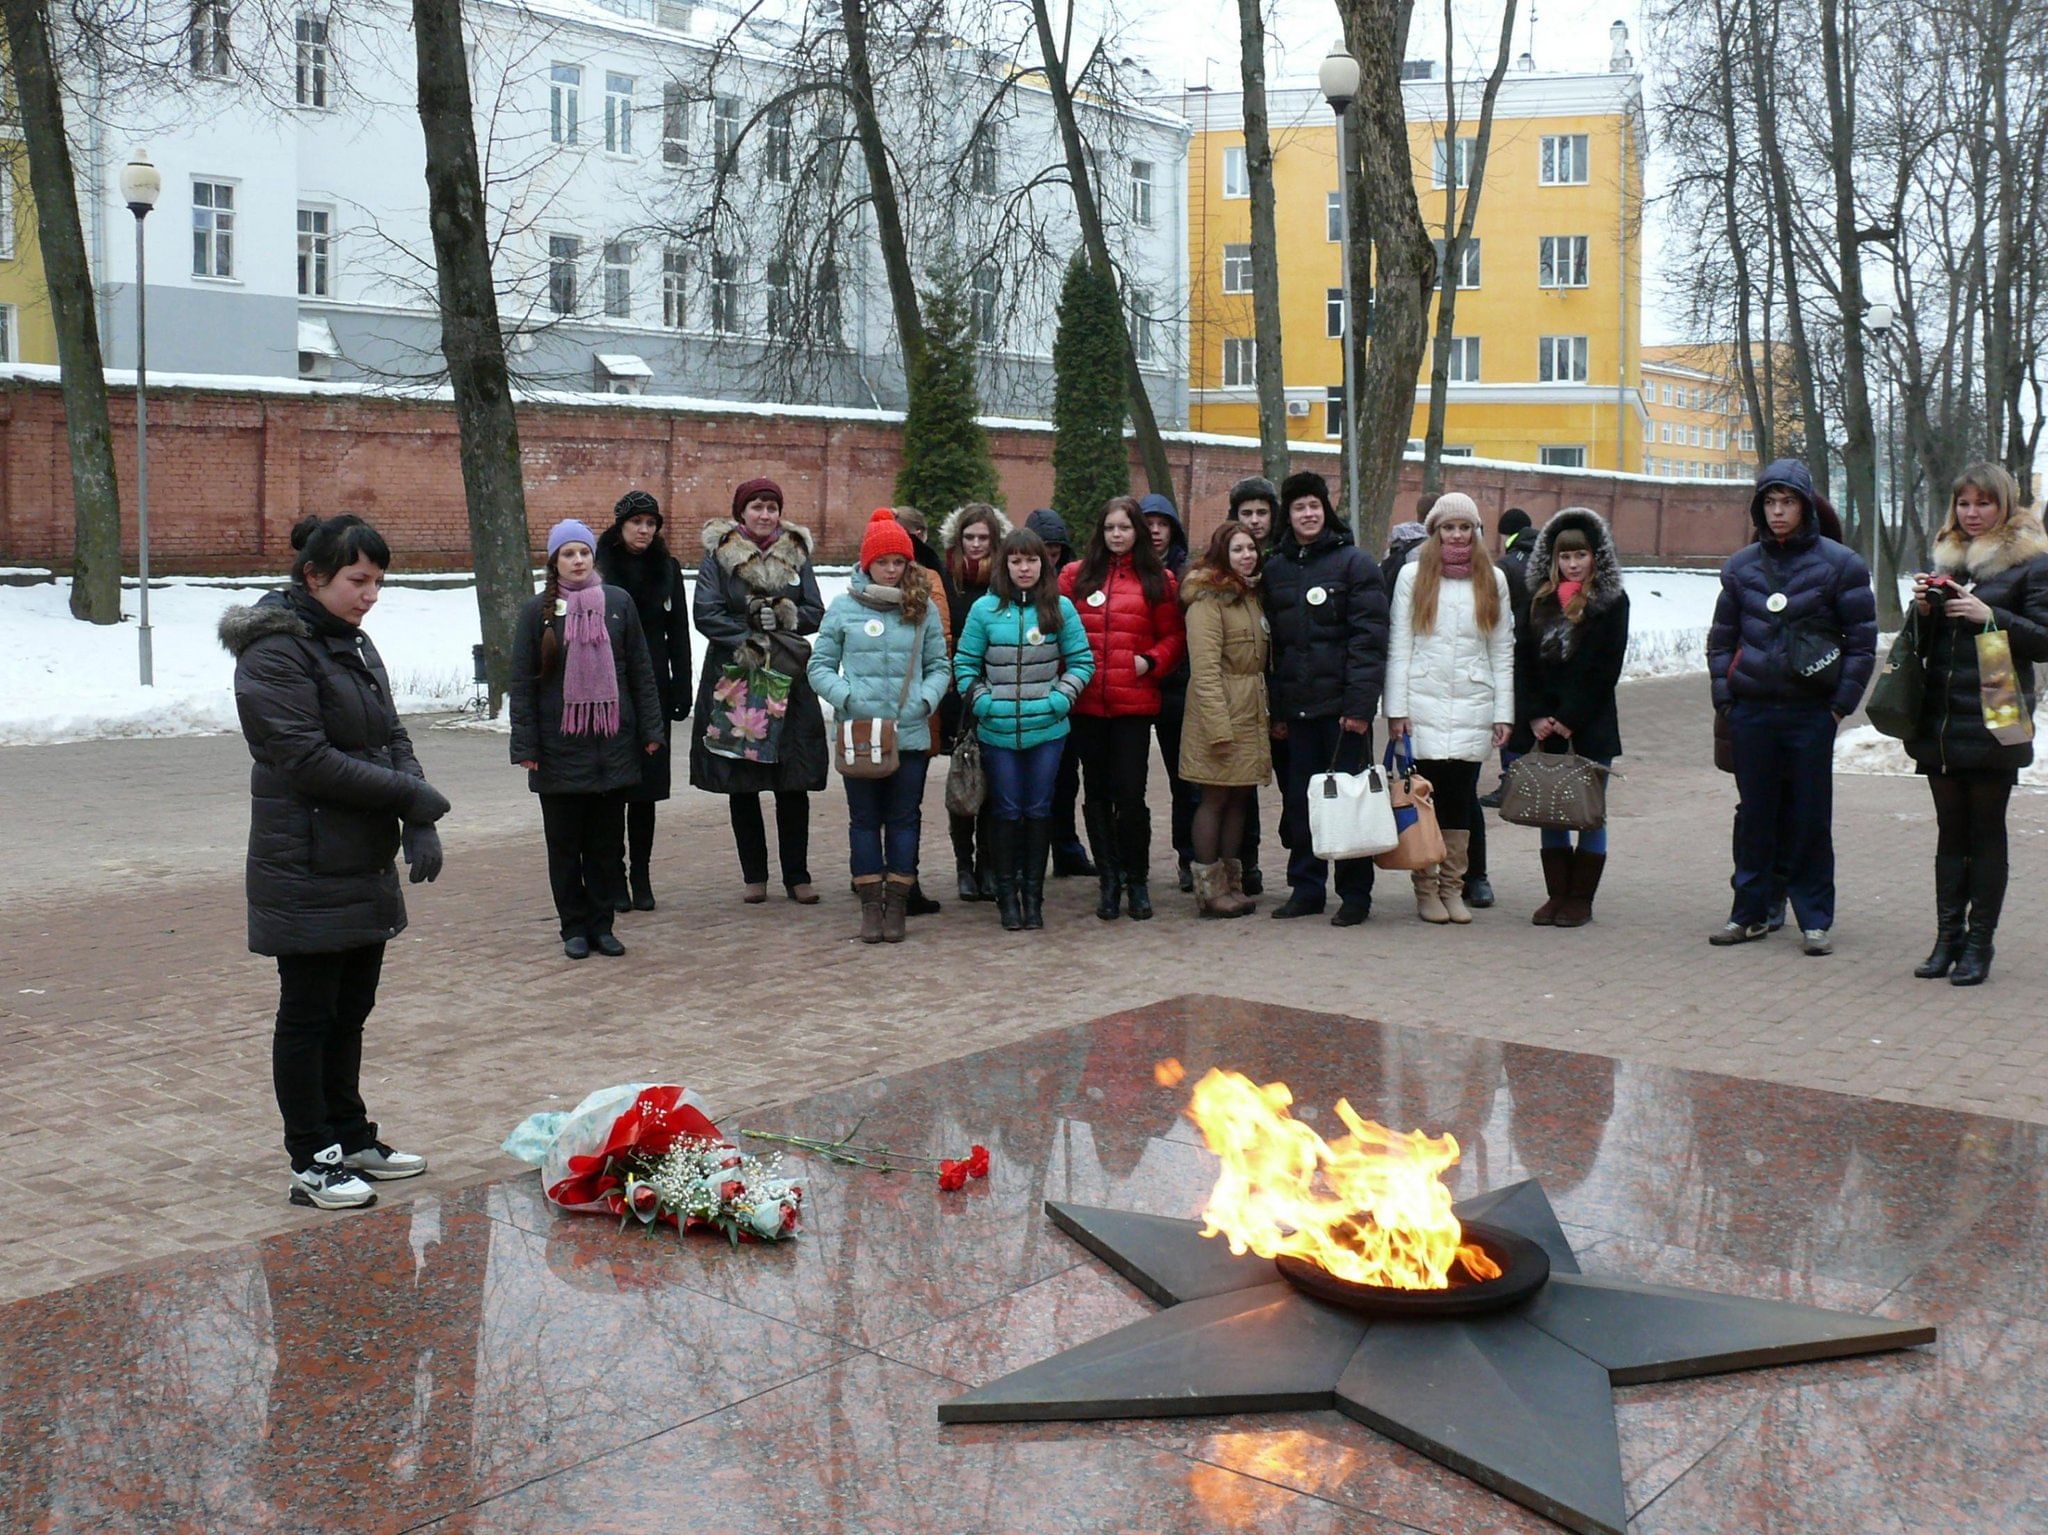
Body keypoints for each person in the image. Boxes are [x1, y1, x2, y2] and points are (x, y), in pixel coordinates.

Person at [221, 513, 449, 1210]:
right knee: (309, 1013)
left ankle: (350, 1135)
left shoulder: (351, 642)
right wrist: (412, 794)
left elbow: (390, 731)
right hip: (306, 862)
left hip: (359, 858)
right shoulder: (273, 653)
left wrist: (414, 812)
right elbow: (307, 758)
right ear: (313, 576)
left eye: (379, 581)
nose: (370, 593)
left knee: (351, 1008)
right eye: (358, 579)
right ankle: (311, 1159)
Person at [1706, 459, 1877, 955]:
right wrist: (1727, 697)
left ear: (1806, 506)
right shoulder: (1740, 567)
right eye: (1770, 503)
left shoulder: (1840, 564)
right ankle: (1750, 914)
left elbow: (1861, 644)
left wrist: (1838, 708)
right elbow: (1721, 640)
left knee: (1808, 818)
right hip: (1753, 711)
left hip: (1810, 713)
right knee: (1755, 815)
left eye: (1788, 502)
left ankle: (1815, 919)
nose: (1779, 512)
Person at [1904, 463, 2048, 986]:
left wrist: (1989, 615)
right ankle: (1946, 940)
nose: (1972, 513)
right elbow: (1927, 647)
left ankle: (1979, 944)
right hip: (1942, 716)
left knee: (1986, 832)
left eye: (1983, 503)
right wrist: (1922, 611)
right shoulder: (1948, 559)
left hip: (1998, 713)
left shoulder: (2032, 564)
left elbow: (2044, 641)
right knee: (1949, 833)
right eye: (1964, 504)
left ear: (2005, 507)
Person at [512, 519, 666, 959]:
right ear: (555, 561)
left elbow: (640, 671)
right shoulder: (536, 612)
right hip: (558, 751)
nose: (577, 561)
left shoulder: (618, 604)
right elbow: (522, 684)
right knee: (565, 848)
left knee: (604, 847)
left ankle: (603, 926)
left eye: (583, 552)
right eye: (568, 554)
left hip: (611, 748)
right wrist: (526, 746)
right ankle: (573, 928)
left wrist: (652, 730)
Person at [809, 510, 953, 943]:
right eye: (883, 561)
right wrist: (846, 698)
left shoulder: (921, 606)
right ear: (867, 562)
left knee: (905, 819)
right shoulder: (843, 608)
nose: (891, 569)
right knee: (865, 820)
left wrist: (924, 701)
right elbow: (819, 665)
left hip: (908, 732)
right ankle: (871, 905)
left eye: (899, 562)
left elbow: (939, 665)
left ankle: (899, 904)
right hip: (860, 735)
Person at [689, 478, 829, 904]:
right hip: (736, 675)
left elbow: (814, 610)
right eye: (756, 507)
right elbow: (706, 613)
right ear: (741, 512)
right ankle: (755, 875)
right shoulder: (719, 555)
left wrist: (785, 615)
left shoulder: (795, 554)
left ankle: (797, 875)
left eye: (772, 507)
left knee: (793, 779)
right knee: (742, 778)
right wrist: (748, 632)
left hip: (786, 677)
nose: (765, 515)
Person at [954, 526, 1094, 931]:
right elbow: (964, 665)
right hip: (997, 731)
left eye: (1031, 559)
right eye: (1016, 560)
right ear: (1005, 565)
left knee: (1037, 811)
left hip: (1047, 731)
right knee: (1006, 811)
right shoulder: (985, 610)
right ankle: (1007, 897)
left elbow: (1082, 662)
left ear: (1043, 563)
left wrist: (1059, 699)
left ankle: (1033, 898)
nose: (1024, 567)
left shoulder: (1060, 608)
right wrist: (982, 702)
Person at [1265, 470, 1388, 925]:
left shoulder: (1356, 564)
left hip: (1341, 713)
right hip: (1296, 710)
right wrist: (1277, 711)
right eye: (1299, 507)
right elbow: (1272, 648)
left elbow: (1369, 641)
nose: (1308, 514)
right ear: (1289, 516)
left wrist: (1359, 707)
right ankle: (1306, 888)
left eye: (1315, 505)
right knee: (1302, 803)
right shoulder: (1274, 568)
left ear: (1326, 509)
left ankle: (1355, 894)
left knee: (1351, 800)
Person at [1385, 493, 1515, 925]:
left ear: (1476, 532)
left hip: (1473, 704)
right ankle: (1425, 889)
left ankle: (1452, 888)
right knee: (1423, 798)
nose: (1457, 535)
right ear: (1435, 531)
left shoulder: (1492, 579)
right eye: (1448, 527)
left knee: (1460, 799)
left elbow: (1502, 650)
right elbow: (1399, 646)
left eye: (1465, 527)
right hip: (1422, 704)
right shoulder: (1411, 576)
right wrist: (1396, 710)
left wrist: (1504, 712)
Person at [1061, 495, 1187, 921]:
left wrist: (1149, 662)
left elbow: (1174, 638)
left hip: (1134, 704)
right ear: (1101, 531)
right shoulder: (1075, 578)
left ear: (1137, 532)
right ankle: (1109, 880)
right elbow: (1057, 632)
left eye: (1125, 528)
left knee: (1130, 795)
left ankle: (1137, 879)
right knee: (1096, 794)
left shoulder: (1159, 580)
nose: (1117, 535)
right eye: (1111, 528)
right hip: (1086, 704)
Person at [1517, 508, 1630, 928]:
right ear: (1553, 559)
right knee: (1551, 811)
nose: (1573, 564)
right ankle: (1556, 896)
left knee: (1588, 812)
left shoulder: (1611, 603)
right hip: (1547, 725)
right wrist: (1536, 715)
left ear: (1595, 556)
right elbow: (1524, 661)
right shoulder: (1540, 600)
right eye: (1565, 557)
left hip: (1591, 723)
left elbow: (1606, 667)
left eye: (1580, 555)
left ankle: (1581, 899)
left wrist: (1570, 716)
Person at [595, 490, 692, 912]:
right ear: (621, 524)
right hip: (609, 687)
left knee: (648, 788)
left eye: (652, 524)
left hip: (653, 686)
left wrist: (682, 685)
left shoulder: (667, 568)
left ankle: (642, 874)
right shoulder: (598, 567)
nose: (645, 530)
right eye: (637, 522)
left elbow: (679, 633)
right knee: (615, 786)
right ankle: (614, 876)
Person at [1180, 521, 1272, 916]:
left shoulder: (1249, 596)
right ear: (1221, 554)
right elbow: (1204, 669)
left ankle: (1231, 884)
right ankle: (1208, 888)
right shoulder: (1207, 601)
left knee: (1239, 798)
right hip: (1218, 711)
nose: (1246, 555)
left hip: (1250, 708)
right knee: (1214, 797)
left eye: (1250, 548)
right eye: (1237, 549)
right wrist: (1219, 726)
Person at [939, 502, 1013, 901]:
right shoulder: (946, 578)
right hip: (958, 693)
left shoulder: (1004, 581)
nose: (976, 545)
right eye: (969, 537)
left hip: (998, 689)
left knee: (995, 783)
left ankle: (988, 865)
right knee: (964, 780)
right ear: (958, 538)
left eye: (984, 538)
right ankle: (963, 866)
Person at [888, 506, 953, 918]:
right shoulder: (860, 587)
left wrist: (927, 697)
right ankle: (874, 876)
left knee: (904, 804)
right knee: (872, 802)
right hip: (869, 713)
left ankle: (903, 883)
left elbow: (940, 641)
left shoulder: (928, 581)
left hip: (913, 712)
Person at [1028, 506, 1096, 878]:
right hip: (1029, 695)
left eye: (1056, 550)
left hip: (1067, 695)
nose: (1050, 557)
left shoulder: (1074, 582)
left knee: (1067, 779)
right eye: (1045, 549)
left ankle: (1067, 848)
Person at [1225, 476, 1282, 896]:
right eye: (1247, 513)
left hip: (1283, 686)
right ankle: (1246, 864)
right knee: (1240, 784)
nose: (1256, 521)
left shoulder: (1281, 560)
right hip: (1243, 690)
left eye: (1262, 512)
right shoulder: (1230, 565)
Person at [1140, 493, 1198, 892]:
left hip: (1177, 687)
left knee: (1186, 781)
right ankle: (1131, 863)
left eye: (1162, 523)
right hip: (1134, 683)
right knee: (1128, 780)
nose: (1155, 531)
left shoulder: (1190, 571)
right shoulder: (1121, 569)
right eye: (1148, 523)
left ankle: (1189, 857)